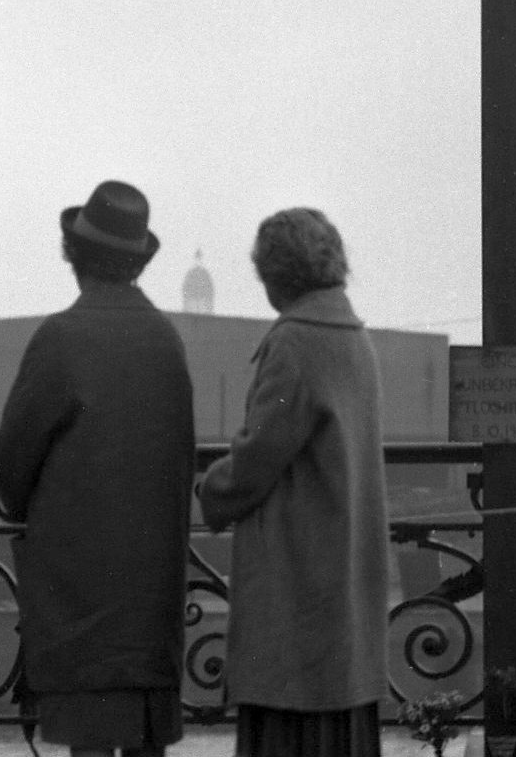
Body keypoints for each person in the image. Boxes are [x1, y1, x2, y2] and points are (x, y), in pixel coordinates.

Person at [0, 180, 195, 757]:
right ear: (137, 262)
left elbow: (13, 457)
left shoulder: (60, 338)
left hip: (80, 605)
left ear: (74, 256)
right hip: (152, 610)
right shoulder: (166, 340)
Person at [199, 207, 389, 757]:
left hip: (297, 574)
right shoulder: (355, 338)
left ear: (274, 274)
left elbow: (262, 449)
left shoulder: (295, 345)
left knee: (290, 709)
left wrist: (209, 491)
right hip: (346, 571)